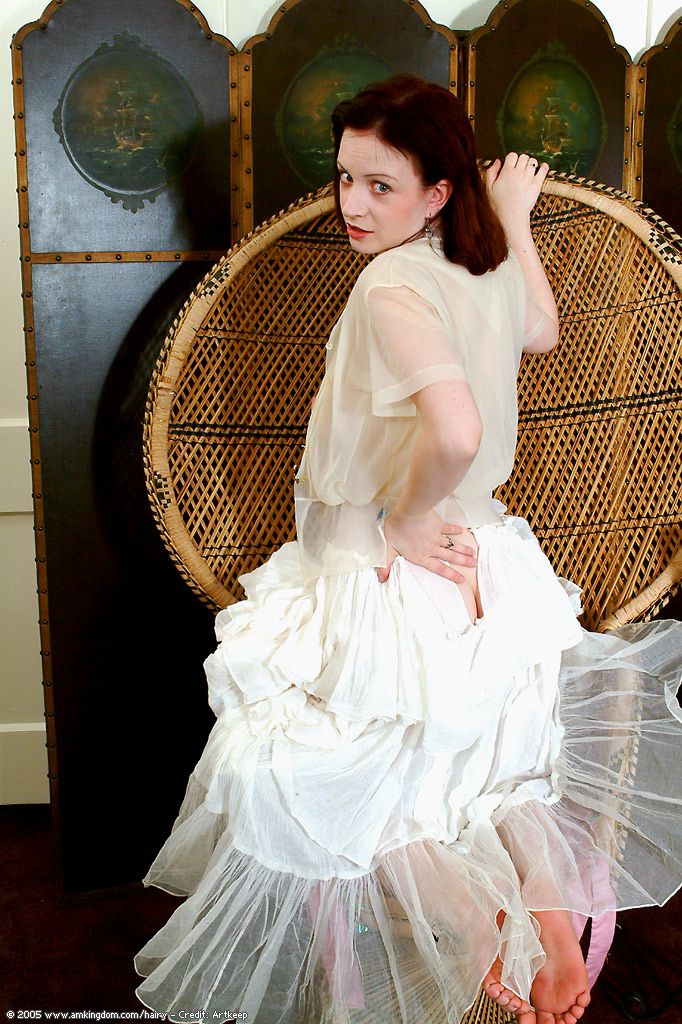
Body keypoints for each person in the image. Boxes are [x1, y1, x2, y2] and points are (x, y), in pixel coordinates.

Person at [134, 75, 682, 1024]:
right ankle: (549, 929)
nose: (352, 204)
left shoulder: (391, 284)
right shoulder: (478, 259)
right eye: (346, 177)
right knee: (488, 770)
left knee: (288, 770)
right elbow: (543, 330)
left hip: (399, 558)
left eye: (380, 185)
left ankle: (470, 928)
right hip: (492, 562)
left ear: (437, 192)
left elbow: (457, 432)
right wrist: (513, 220)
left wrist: (400, 518)